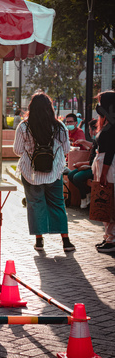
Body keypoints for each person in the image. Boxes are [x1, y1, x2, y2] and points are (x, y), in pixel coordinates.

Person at [13, 91, 75, 252]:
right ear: (50, 108)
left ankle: (39, 241)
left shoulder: (24, 127)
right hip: (54, 173)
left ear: (31, 108)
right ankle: (66, 241)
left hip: (31, 173)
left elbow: (18, 150)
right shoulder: (59, 126)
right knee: (58, 204)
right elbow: (67, 148)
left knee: (35, 205)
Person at [92, 90, 115, 254]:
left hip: (109, 167)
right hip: (102, 165)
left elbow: (111, 151)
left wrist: (103, 173)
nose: (98, 106)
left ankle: (112, 238)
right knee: (104, 202)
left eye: (100, 102)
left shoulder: (112, 126)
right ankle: (108, 236)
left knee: (109, 201)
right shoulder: (108, 123)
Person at [67, 119, 97, 209]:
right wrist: (83, 142)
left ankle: (83, 197)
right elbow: (92, 146)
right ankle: (87, 193)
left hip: (95, 167)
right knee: (70, 174)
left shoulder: (102, 138)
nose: (89, 132)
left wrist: (82, 164)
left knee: (77, 177)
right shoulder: (97, 140)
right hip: (90, 165)